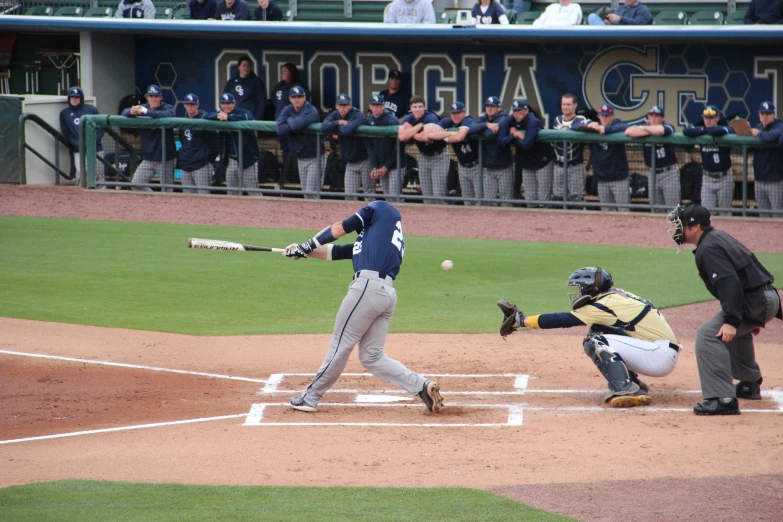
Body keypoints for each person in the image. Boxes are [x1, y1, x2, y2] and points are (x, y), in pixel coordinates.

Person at [284, 201, 445, 415]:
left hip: (367, 289)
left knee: (340, 345)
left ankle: (310, 398)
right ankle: (422, 386)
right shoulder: (383, 238)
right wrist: (303, 251)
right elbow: (338, 252)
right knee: (372, 356)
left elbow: (340, 228)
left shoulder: (379, 208)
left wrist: (310, 243)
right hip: (386, 295)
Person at [498, 267, 681, 408]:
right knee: (599, 330)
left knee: (595, 340)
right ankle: (632, 382)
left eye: (580, 288)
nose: (578, 293)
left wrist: (521, 321)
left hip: (659, 356)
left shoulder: (604, 305)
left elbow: (564, 319)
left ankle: (626, 389)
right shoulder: (614, 296)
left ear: (593, 288)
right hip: (656, 350)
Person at [666, 204, 782, 415]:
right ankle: (749, 383)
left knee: (707, 335)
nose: (678, 229)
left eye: (681, 225)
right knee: (734, 331)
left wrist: (732, 319)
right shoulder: (717, 237)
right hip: (765, 298)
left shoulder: (708, 248)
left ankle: (723, 398)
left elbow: (730, 283)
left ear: (696, 227)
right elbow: (752, 270)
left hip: (757, 301)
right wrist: (757, 315)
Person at [682, 105, 736, 216]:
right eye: (706, 118)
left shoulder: (724, 129)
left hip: (724, 177)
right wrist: (705, 130)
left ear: (717, 118)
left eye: (711, 118)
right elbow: (686, 131)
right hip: (707, 178)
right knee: (705, 214)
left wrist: (705, 130)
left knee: (725, 214)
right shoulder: (702, 131)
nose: (707, 120)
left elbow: (728, 130)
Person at [625, 105, 680, 211]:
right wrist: (649, 130)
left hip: (669, 174)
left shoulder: (669, 126)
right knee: (655, 209)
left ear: (662, 118)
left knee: (673, 210)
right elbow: (628, 132)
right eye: (651, 115)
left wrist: (643, 129)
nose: (654, 118)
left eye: (657, 115)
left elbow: (661, 131)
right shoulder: (647, 128)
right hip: (652, 174)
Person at [122, 84, 176, 192]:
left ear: (161, 97)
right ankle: (154, 200)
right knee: (136, 184)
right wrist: (131, 111)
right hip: (148, 159)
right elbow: (124, 112)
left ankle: (169, 209)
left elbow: (171, 114)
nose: (153, 99)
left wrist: (146, 112)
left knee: (167, 190)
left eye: (156, 96)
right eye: (151, 96)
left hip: (165, 159)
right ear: (147, 97)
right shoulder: (143, 107)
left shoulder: (166, 107)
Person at [498, 98, 551, 207]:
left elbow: (527, 145)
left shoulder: (533, 121)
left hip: (542, 162)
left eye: (519, 111)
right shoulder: (511, 119)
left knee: (543, 200)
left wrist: (515, 136)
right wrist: (514, 135)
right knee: (530, 200)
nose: (516, 114)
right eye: (515, 111)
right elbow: (501, 142)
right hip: (526, 163)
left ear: (527, 110)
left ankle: (546, 223)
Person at [204, 92, 260, 196]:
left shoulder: (243, 112)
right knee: (231, 192)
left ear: (234, 103)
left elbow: (249, 117)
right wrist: (218, 115)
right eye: (224, 103)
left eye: (229, 103)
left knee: (252, 190)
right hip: (231, 160)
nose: (226, 106)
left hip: (247, 159)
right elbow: (206, 116)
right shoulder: (221, 114)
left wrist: (229, 118)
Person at [398, 95, 449, 204]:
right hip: (423, 157)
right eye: (415, 107)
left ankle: (442, 218)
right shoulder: (409, 118)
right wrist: (418, 127)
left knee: (438, 194)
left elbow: (426, 137)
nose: (417, 109)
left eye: (420, 106)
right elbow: (402, 137)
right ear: (411, 108)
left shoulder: (430, 117)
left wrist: (411, 131)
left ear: (424, 107)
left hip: (439, 156)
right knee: (426, 194)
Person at [580, 104, 630, 211]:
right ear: (599, 116)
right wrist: (590, 125)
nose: (605, 118)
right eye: (603, 116)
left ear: (612, 116)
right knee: (606, 213)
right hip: (602, 179)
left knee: (624, 211)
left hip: (619, 179)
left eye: (607, 116)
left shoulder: (617, 124)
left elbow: (628, 127)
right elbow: (575, 127)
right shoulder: (594, 127)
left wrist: (606, 129)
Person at [321, 94, 371, 201]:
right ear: (336, 106)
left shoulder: (358, 114)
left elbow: (346, 130)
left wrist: (337, 126)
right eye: (340, 105)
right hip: (350, 162)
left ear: (350, 105)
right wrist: (339, 122)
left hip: (365, 160)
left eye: (345, 105)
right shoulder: (335, 115)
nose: (343, 107)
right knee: (349, 195)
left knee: (369, 194)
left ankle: (371, 217)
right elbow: (323, 127)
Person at [429, 102, 480, 206]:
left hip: (477, 166)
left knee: (480, 201)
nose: (455, 115)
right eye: (453, 113)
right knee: (468, 202)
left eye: (458, 112)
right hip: (462, 166)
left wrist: (444, 135)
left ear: (464, 113)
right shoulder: (447, 122)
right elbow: (432, 134)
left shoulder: (468, 120)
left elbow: (459, 137)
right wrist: (449, 133)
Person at [276, 86, 321, 199]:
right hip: (300, 156)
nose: (297, 99)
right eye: (294, 97)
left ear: (304, 98)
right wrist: (293, 122)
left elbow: (296, 126)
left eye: (299, 97)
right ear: (290, 99)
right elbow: (279, 129)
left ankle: (318, 216)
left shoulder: (311, 110)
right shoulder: (287, 109)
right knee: (306, 193)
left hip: (315, 156)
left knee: (312, 193)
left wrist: (289, 120)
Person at [468, 96, 513, 206]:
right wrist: (487, 125)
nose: (489, 108)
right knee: (488, 201)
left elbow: (489, 134)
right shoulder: (484, 119)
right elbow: (471, 128)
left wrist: (482, 129)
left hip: (504, 167)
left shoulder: (504, 118)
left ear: (499, 108)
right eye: (487, 106)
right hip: (488, 168)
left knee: (506, 202)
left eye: (492, 106)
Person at [59, 86, 104, 188]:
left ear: (81, 98)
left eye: (77, 97)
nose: (74, 99)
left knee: (98, 174)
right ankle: (81, 194)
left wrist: (92, 142)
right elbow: (66, 133)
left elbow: (101, 128)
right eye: (72, 97)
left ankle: (102, 195)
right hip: (78, 149)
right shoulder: (64, 113)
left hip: (96, 148)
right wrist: (78, 144)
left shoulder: (91, 109)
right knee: (80, 172)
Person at [551, 93, 588, 203]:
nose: (565, 107)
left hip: (575, 165)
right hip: (559, 165)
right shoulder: (557, 120)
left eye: (568, 104)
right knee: (558, 199)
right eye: (563, 104)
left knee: (576, 199)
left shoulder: (580, 120)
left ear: (575, 105)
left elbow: (587, 124)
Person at [178, 93, 217, 194]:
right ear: (184, 105)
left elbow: (215, 145)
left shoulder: (204, 120)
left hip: (201, 166)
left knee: (203, 197)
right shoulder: (183, 121)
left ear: (197, 105)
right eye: (188, 104)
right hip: (186, 166)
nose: (190, 107)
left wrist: (206, 159)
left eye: (192, 104)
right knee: (187, 198)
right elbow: (183, 141)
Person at [749, 101, 783, 218]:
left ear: (773, 114)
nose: (765, 116)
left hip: (775, 181)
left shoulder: (779, 126)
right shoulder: (757, 127)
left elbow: (771, 136)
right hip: (759, 181)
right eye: (762, 113)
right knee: (763, 217)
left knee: (778, 216)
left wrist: (758, 134)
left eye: (768, 113)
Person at [365, 95, 401, 202]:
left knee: (395, 196)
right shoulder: (368, 121)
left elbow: (398, 147)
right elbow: (369, 147)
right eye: (374, 105)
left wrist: (387, 165)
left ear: (383, 106)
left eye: (378, 105)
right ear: (370, 107)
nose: (376, 108)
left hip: (395, 164)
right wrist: (375, 166)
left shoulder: (392, 120)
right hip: (381, 165)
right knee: (387, 196)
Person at [223, 56, 268, 121]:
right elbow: (225, 99)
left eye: (248, 66)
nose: (246, 68)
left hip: (249, 117)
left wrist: (258, 119)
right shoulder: (232, 81)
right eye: (244, 65)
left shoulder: (256, 82)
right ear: (239, 67)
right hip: (234, 117)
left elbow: (262, 101)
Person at [586, 0, 651, 25]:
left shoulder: (643, 9)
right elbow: (616, 22)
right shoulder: (621, 8)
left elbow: (639, 24)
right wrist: (609, 23)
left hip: (630, 37)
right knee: (592, 17)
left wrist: (620, 19)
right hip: (613, 34)